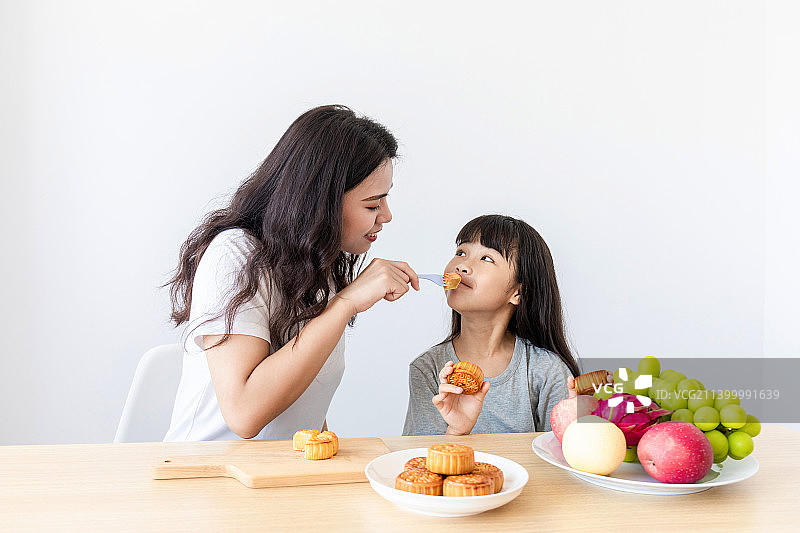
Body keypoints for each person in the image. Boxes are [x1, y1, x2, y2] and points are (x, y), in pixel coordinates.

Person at [164, 105, 419, 441]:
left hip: (281, 473)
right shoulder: (235, 255)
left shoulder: (317, 265)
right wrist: (344, 305)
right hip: (208, 476)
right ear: (321, 201)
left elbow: (301, 398)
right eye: (373, 204)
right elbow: (244, 414)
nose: (386, 216)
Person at [402, 214, 581, 436]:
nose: (463, 266)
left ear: (518, 292)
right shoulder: (428, 368)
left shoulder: (546, 371)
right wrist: (457, 431)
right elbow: (420, 464)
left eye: (486, 258)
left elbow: (564, 457)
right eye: (461, 253)